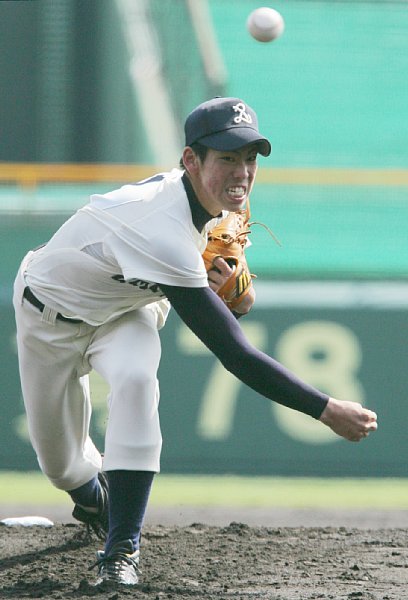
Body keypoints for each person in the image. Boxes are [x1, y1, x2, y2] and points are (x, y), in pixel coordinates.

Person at [13, 97, 378, 587]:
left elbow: (224, 286)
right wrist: (325, 408)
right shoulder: (157, 225)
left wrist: (229, 287)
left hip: (126, 309)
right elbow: (234, 352)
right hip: (48, 314)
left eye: (250, 158)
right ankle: (96, 500)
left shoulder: (222, 203)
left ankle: (121, 549)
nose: (243, 172)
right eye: (227, 157)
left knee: (138, 380)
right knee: (61, 468)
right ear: (190, 160)